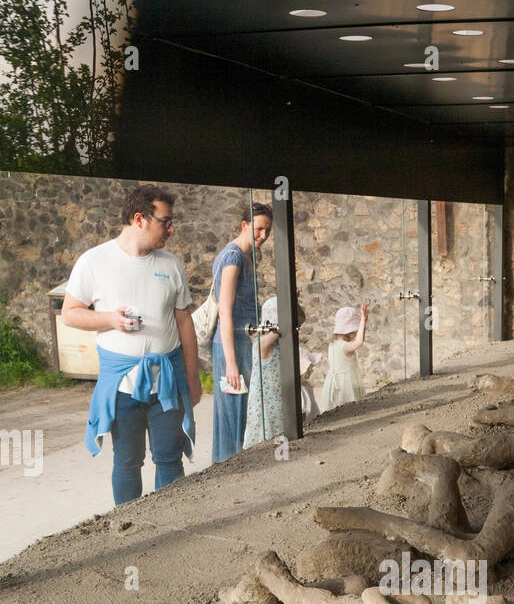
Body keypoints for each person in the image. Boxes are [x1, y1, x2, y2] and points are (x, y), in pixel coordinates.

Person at [62, 184, 201, 506]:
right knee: (127, 461)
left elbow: (184, 323)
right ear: (140, 219)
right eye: (165, 221)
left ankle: (173, 528)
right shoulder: (94, 261)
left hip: (166, 383)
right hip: (122, 387)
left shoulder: (170, 265)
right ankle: (129, 530)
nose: (172, 228)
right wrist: (110, 319)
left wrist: (192, 380)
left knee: (169, 458)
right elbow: (70, 314)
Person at [211, 202, 272, 462]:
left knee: (247, 413)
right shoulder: (233, 256)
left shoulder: (247, 255)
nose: (264, 235)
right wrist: (231, 363)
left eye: (268, 230)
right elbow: (225, 310)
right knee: (234, 416)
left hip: (243, 343)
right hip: (231, 346)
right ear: (244, 225)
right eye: (259, 229)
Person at [242, 296, 322, 449]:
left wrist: (294, 302)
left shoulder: (281, 344)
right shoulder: (261, 345)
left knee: (280, 441)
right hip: (265, 405)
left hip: (279, 403)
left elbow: (300, 319)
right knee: (264, 441)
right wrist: (284, 314)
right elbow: (281, 328)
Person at [319, 303, 368, 414]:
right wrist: (363, 321)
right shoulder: (345, 347)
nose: (357, 332)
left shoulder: (332, 344)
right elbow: (359, 342)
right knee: (350, 411)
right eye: (356, 330)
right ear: (350, 331)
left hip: (333, 383)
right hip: (346, 385)